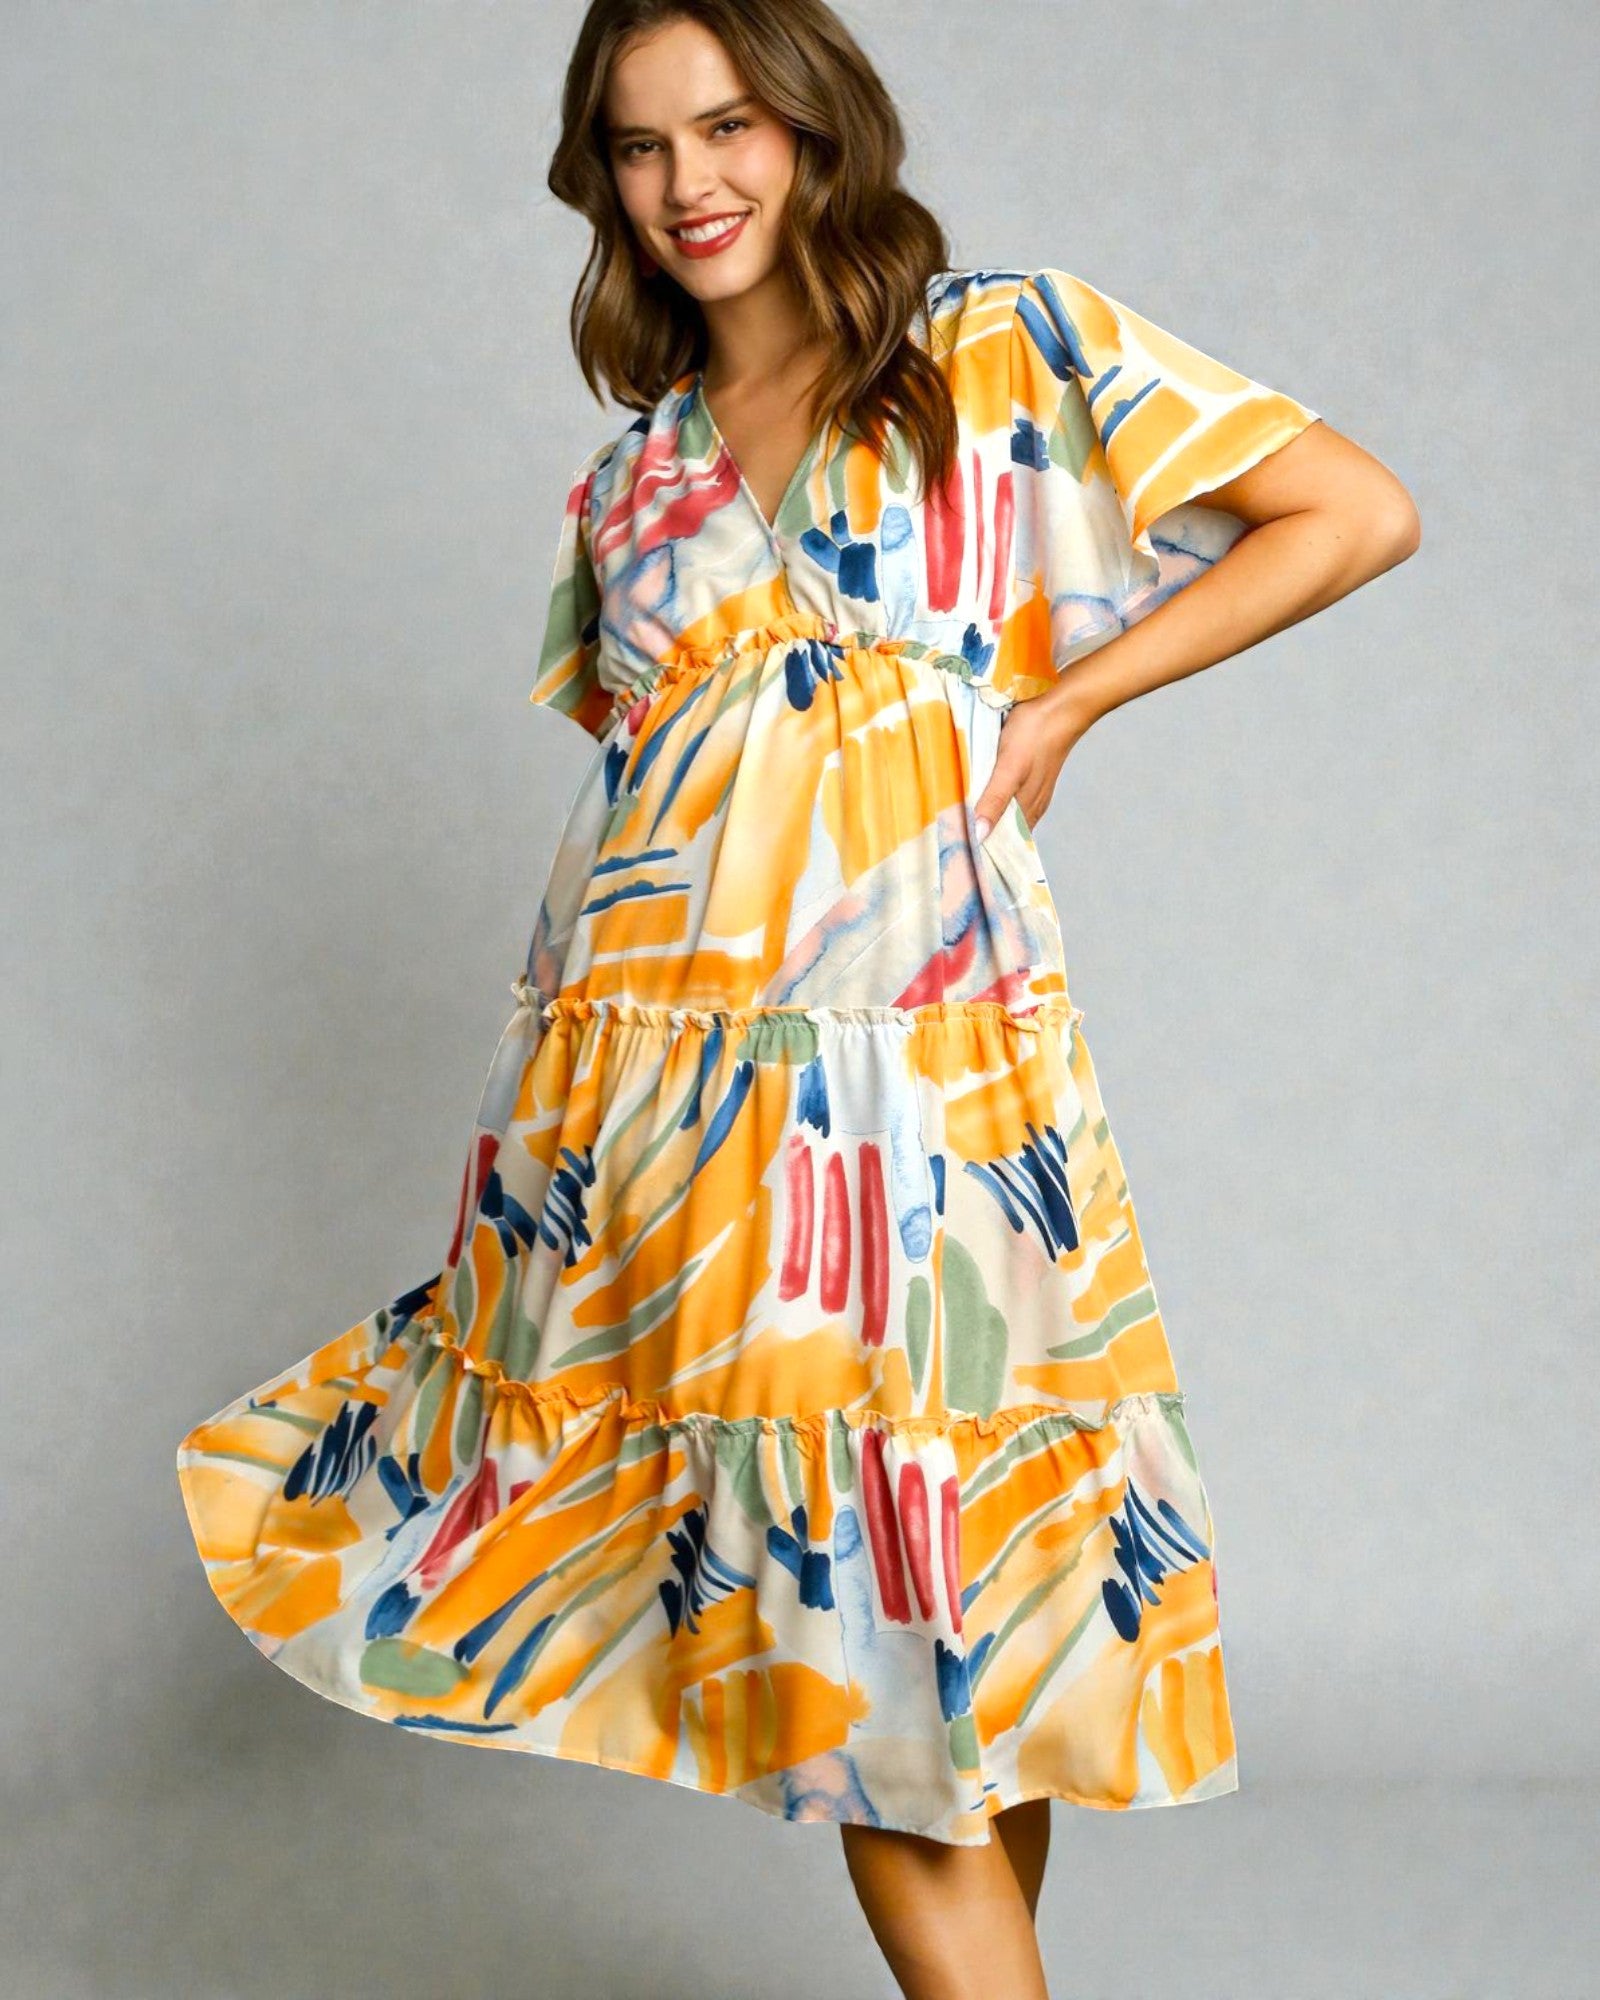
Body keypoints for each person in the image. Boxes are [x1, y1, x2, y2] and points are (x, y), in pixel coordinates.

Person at [175, 3, 1418, 1995]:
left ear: (814, 126)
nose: (689, 182)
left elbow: (1351, 511)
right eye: (640, 144)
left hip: (947, 1098)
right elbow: (658, 833)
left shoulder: (995, 349)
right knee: (877, 1658)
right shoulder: (634, 482)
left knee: (962, 1634)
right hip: (687, 1141)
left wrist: (1070, 701)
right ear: (602, 179)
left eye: (727, 124)